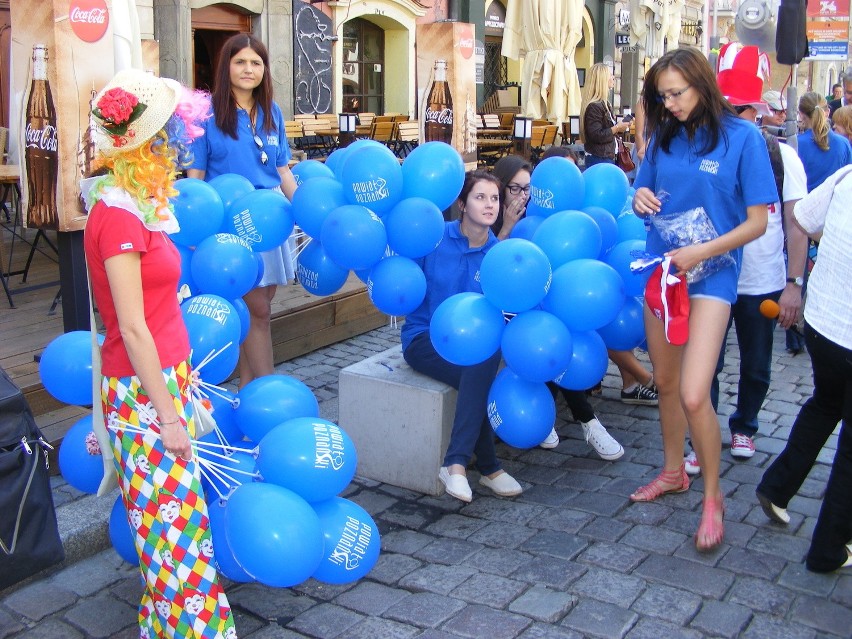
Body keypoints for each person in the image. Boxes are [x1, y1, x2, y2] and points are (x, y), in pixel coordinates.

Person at [83, 70, 236, 637]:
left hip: (163, 380)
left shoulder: (133, 205)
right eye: (170, 135)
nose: (179, 144)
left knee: (174, 537)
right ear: (150, 145)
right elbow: (131, 327)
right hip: (145, 391)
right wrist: (168, 415)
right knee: (178, 547)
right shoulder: (119, 216)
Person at [631, 47, 776, 551]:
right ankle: (674, 472)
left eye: (677, 93)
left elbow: (758, 222)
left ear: (702, 84)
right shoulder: (664, 136)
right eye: (662, 96)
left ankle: (713, 495)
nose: (669, 103)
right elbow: (642, 193)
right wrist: (638, 199)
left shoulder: (744, 137)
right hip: (662, 272)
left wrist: (702, 252)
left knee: (696, 392)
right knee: (666, 382)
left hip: (713, 276)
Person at [704, 56, 809, 465]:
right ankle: (704, 436)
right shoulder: (706, 153)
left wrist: (794, 283)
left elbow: (796, 226)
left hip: (761, 281)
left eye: (737, 110)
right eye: (723, 110)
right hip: (713, 277)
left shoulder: (783, 158)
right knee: (706, 363)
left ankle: (745, 426)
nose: (729, 118)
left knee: (758, 364)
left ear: (756, 113)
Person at [491, 152, 624, 459]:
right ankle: (588, 421)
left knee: (554, 334)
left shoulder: (545, 220)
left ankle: (585, 421)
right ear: (501, 187)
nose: (523, 196)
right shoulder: (489, 212)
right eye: (515, 188)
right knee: (544, 331)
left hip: (535, 311)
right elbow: (490, 270)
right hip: (499, 310)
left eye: (528, 189)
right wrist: (508, 225)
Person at [402, 171, 523, 503]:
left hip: (471, 347)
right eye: (480, 197)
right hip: (424, 337)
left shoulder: (498, 256)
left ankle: (462, 465)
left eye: (495, 198)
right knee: (478, 368)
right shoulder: (435, 237)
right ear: (462, 203)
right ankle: (486, 468)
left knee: (479, 361)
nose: (489, 205)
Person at [187, 33, 298, 388]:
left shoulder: (272, 111)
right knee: (257, 311)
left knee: (261, 309)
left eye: (256, 62)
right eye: (240, 62)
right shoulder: (206, 114)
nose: (248, 69)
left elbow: (281, 169)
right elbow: (197, 176)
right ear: (226, 66)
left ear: (264, 69)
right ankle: (268, 388)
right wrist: (197, 229)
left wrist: (306, 213)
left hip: (272, 221)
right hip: (232, 224)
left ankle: (248, 396)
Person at [756, 163, 852, 572]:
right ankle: (829, 549)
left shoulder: (847, 175)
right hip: (840, 326)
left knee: (825, 405)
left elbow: (804, 219)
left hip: (824, 324)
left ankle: (777, 486)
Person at [796, 91, 852, 193]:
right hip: (834, 206)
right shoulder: (843, 143)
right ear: (828, 112)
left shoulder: (795, 144)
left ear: (800, 115)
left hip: (804, 205)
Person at [580, 63, 631, 167]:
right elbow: (596, 135)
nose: (613, 77)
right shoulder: (594, 106)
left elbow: (605, 131)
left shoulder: (604, 104)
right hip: (599, 157)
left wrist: (619, 127)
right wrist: (617, 128)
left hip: (606, 156)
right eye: (610, 75)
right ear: (602, 80)